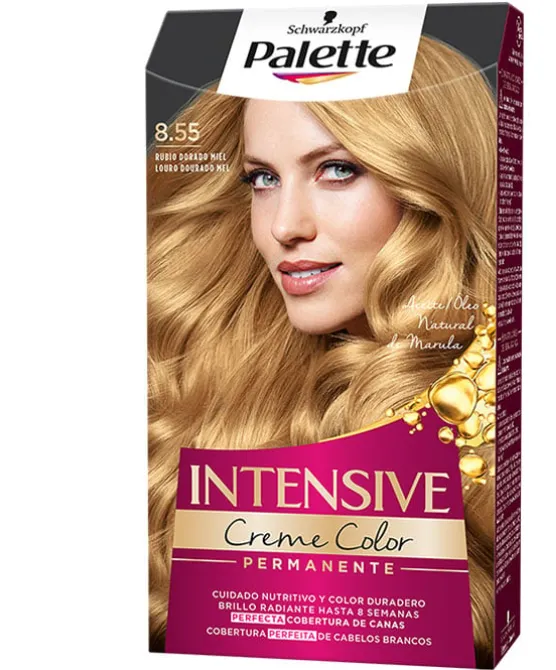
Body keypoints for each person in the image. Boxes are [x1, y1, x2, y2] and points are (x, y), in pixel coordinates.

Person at [148, 35, 496, 666]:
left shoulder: (498, 407)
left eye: (337, 170)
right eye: (262, 178)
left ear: (431, 182)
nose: (285, 226)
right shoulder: (212, 388)